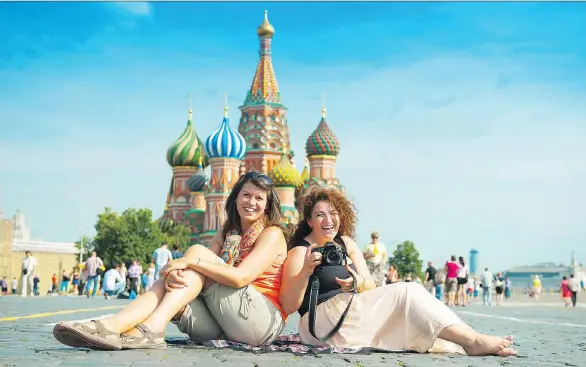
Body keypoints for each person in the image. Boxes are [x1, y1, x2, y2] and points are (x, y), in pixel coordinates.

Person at [53, 171, 288, 351]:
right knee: (179, 278)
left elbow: (240, 278)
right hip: (226, 322)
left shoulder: (272, 233)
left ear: (268, 205)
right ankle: (113, 327)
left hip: (260, 323)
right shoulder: (228, 231)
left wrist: (189, 262)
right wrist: (180, 270)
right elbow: (197, 271)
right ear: (235, 198)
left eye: (259, 198)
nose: (251, 202)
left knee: (196, 252)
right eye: (246, 195)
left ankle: (150, 329)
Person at [280, 188, 516, 356]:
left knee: (412, 308)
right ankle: (473, 341)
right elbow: (289, 306)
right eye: (320, 214)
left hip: (352, 312)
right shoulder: (300, 251)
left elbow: (370, 284)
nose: (328, 220)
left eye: (333, 213)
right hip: (322, 324)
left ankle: (472, 339)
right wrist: (305, 271)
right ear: (309, 221)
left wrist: (356, 283)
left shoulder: (347, 243)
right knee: (409, 292)